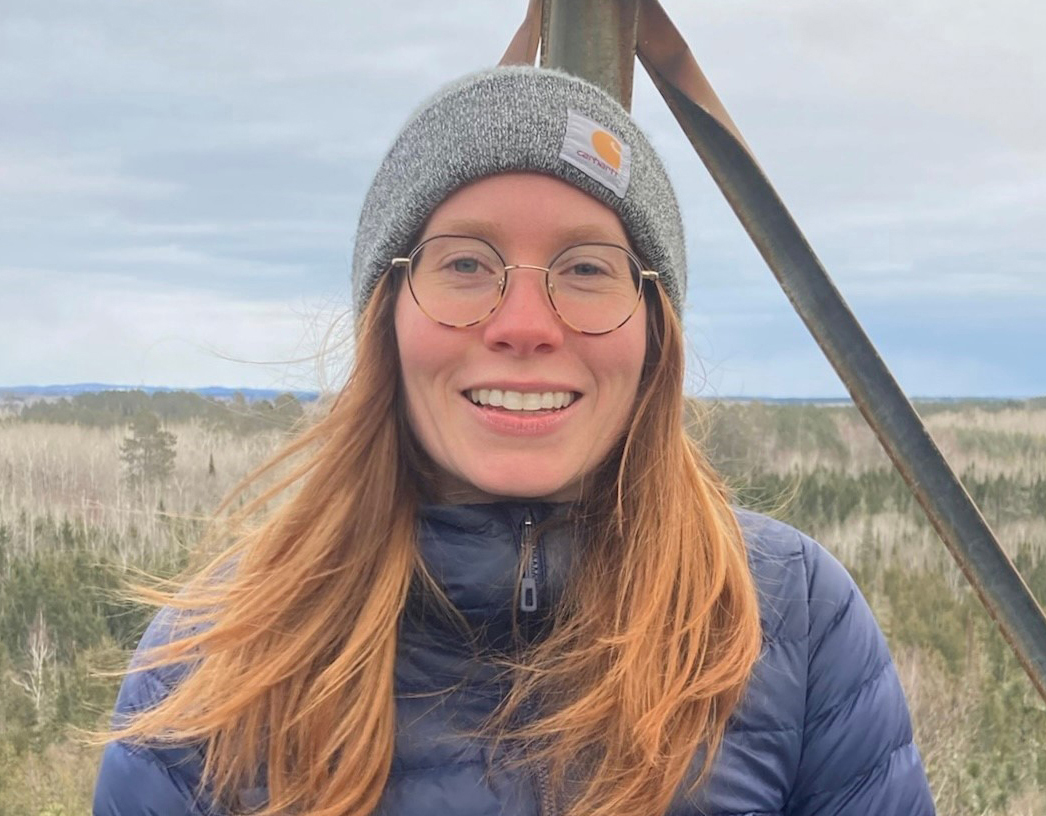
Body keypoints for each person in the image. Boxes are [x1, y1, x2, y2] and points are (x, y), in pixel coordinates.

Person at [93, 66, 936, 816]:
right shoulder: (219, 659)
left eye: (586, 268)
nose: (525, 326)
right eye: (465, 264)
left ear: (654, 333)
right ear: (388, 316)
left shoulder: (790, 617)